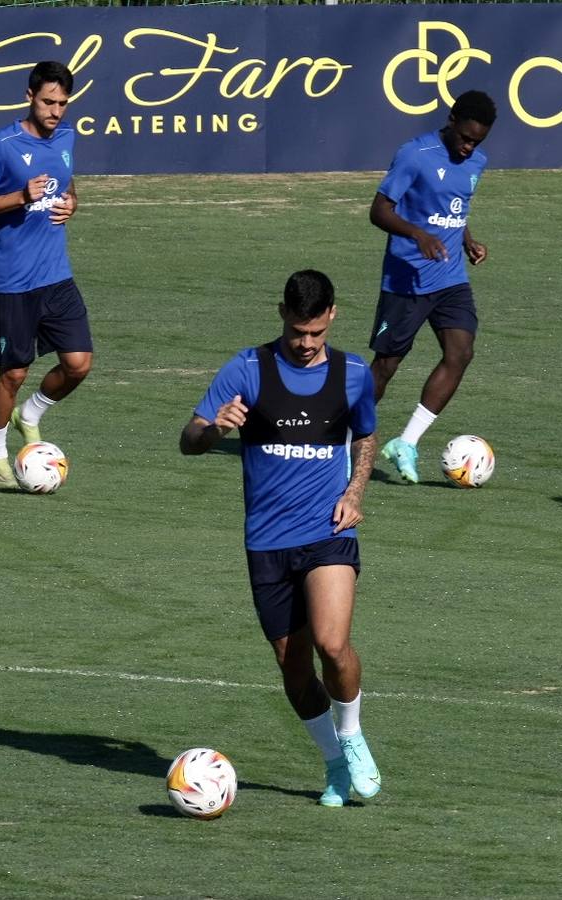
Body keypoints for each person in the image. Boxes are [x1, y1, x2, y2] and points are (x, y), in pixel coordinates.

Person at [180, 269, 381, 807]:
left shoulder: (352, 374)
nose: (306, 344)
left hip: (326, 531)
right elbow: (188, 439)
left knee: (332, 644)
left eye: (315, 333)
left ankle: (354, 737)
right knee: (293, 667)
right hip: (267, 541)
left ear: (332, 316)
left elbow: (365, 436)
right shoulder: (247, 369)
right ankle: (335, 765)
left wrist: (355, 493)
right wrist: (215, 429)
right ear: (281, 315)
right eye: (297, 332)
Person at [0, 60, 92, 487]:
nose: (55, 111)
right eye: (48, 102)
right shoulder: (0, 145)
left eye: (62, 103)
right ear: (29, 97)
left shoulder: (68, 138)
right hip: (11, 283)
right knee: (13, 373)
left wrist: (73, 203)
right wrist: (20, 195)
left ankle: (32, 413)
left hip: (56, 275)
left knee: (78, 364)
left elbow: (67, 183)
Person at [368, 89, 497, 483]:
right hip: (406, 278)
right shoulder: (415, 155)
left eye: (477, 141)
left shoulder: (477, 161)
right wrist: (416, 234)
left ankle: (406, 442)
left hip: (451, 277)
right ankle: (341, 440)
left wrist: (468, 239)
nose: (468, 147)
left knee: (461, 352)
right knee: (387, 366)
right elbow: (379, 211)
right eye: (465, 137)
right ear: (452, 119)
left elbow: (454, 207)